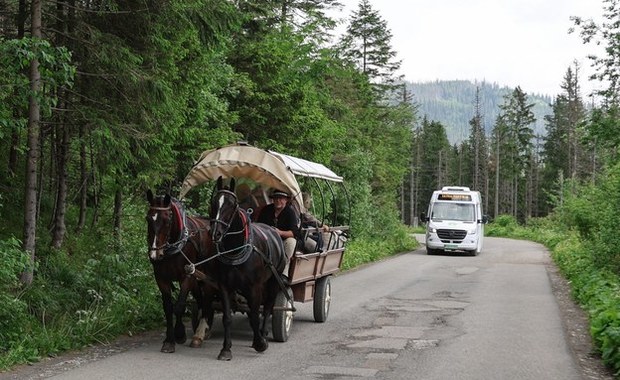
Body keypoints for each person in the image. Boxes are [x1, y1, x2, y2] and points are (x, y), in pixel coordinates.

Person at [256, 189, 299, 276]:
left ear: (286, 200)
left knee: (291, 242)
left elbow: (294, 232)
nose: (278, 200)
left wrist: (280, 233)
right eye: (275, 198)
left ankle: (283, 271)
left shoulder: (290, 212)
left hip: (283, 241)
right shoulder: (266, 210)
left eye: (281, 198)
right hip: (266, 240)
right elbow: (258, 225)